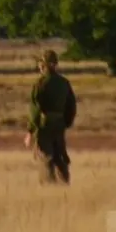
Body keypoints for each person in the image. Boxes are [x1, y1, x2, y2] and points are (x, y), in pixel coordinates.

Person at [26, 50, 77, 185]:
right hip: (59, 124)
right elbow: (71, 106)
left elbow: (35, 109)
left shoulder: (40, 83)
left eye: (41, 63)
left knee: (46, 156)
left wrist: (30, 131)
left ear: (45, 65)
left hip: (45, 125)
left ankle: (49, 186)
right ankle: (64, 184)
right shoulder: (64, 83)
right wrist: (65, 122)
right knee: (60, 156)